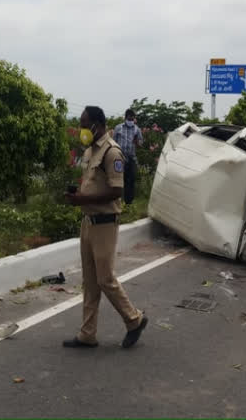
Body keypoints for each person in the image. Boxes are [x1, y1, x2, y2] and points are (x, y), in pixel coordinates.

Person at [63, 106, 148, 349]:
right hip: (88, 223)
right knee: (90, 281)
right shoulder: (91, 151)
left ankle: (134, 319)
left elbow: (116, 191)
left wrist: (83, 200)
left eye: (83, 123)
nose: (81, 129)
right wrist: (78, 197)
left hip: (105, 224)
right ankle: (87, 334)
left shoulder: (112, 153)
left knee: (105, 279)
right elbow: (92, 185)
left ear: (97, 125)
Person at [112, 109, 143, 205]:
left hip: (132, 157)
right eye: (130, 118)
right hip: (120, 157)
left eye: (133, 118)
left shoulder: (137, 129)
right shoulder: (118, 128)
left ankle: (129, 202)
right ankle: (119, 201)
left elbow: (141, 142)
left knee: (132, 178)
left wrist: (137, 142)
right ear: (126, 117)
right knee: (121, 179)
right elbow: (113, 142)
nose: (131, 120)